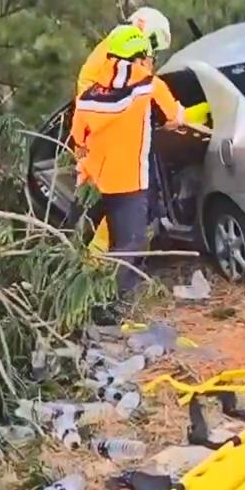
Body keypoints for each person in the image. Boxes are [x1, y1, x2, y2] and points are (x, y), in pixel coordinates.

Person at [72, 17, 185, 310]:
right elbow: (174, 117)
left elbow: (79, 140)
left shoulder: (88, 95)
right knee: (129, 244)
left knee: (90, 235)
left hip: (95, 178)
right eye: (148, 55)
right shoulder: (149, 86)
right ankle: (116, 308)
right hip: (129, 181)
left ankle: (78, 291)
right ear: (140, 55)